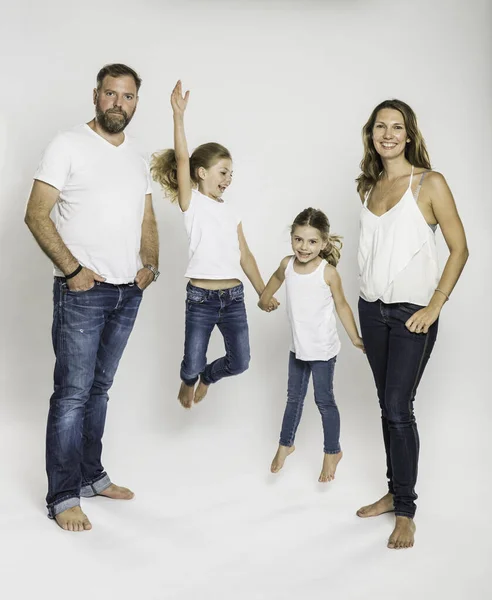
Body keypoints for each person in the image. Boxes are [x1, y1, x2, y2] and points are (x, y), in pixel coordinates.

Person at [24, 63, 159, 532]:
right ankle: (62, 496)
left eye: (126, 96)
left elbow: (146, 217)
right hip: (83, 292)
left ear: (136, 102)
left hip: (127, 292)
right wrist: (74, 271)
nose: (117, 103)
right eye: (109, 94)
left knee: (99, 390)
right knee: (72, 395)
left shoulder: (138, 156)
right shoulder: (68, 144)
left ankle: (90, 476)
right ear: (96, 97)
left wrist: (150, 266)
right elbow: (36, 214)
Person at [355, 99, 469, 549]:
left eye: (396, 127)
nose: (388, 134)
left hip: (411, 316)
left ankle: (406, 510)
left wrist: (435, 306)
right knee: (387, 404)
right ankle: (392, 491)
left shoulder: (429, 183)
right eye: (380, 126)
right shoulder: (367, 186)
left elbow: (460, 249)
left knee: (400, 408)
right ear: (371, 133)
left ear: (409, 133)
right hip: (372, 311)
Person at [151, 80, 278, 409]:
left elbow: (245, 255)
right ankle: (190, 378)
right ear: (202, 172)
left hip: (233, 297)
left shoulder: (231, 210)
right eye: (223, 172)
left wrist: (263, 292)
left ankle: (207, 377)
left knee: (241, 361)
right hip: (201, 298)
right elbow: (181, 159)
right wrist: (178, 117)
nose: (227, 179)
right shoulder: (191, 202)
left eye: (231, 174)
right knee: (190, 363)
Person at [258, 208, 365, 482]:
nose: (304, 247)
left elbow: (342, 305)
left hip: (322, 350)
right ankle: (286, 444)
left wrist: (355, 337)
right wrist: (264, 297)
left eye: (312, 241)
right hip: (298, 347)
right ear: (292, 239)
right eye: (298, 239)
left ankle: (332, 451)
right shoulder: (287, 264)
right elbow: (276, 278)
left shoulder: (327, 273)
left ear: (324, 243)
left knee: (324, 401)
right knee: (293, 399)